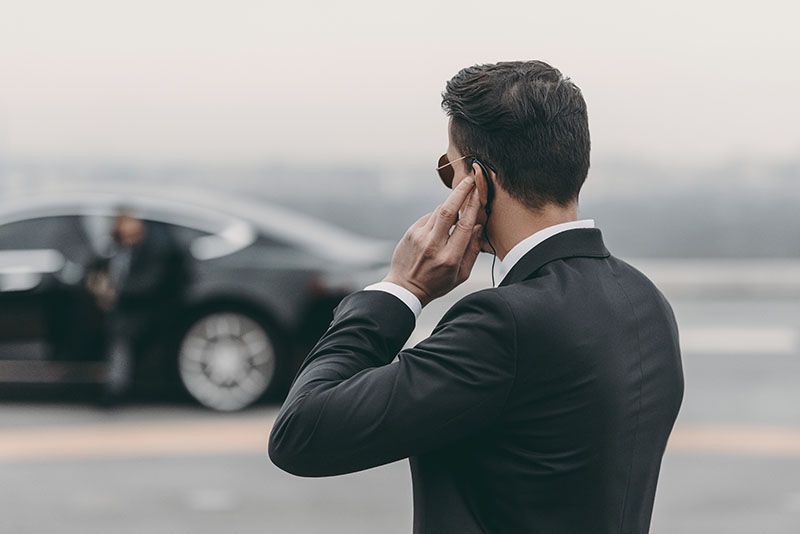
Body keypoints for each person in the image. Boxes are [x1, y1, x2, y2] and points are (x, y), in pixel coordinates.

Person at [268, 61, 684, 533]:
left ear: (478, 182)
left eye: (450, 169)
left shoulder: (504, 323)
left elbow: (302, 434)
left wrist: (401, 289)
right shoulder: (645, 300)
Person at [89, 207, 190, 405]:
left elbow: (150, 283)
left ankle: (115, 388)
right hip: (121, 308)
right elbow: (95, 268)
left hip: (147, 309)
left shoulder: (155, 247)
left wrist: (115, 293)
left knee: (120, 335)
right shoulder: (115, 248)